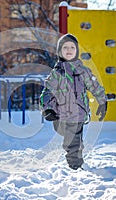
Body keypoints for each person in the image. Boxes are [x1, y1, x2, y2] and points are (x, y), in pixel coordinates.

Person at [39, 33, 107, 170]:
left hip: (78, 114)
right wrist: (48, 109)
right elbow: (47, 92)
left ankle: (75, 166)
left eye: (72, 47)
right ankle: (76, 158)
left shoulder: (83, 71)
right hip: (60, 115)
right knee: (72, 139)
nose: (69, 50)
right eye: (65, 47)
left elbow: (94, 85)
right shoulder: (57, 73)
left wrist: (102, 101)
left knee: (73, 140)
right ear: (59, 51)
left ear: (77, 51)